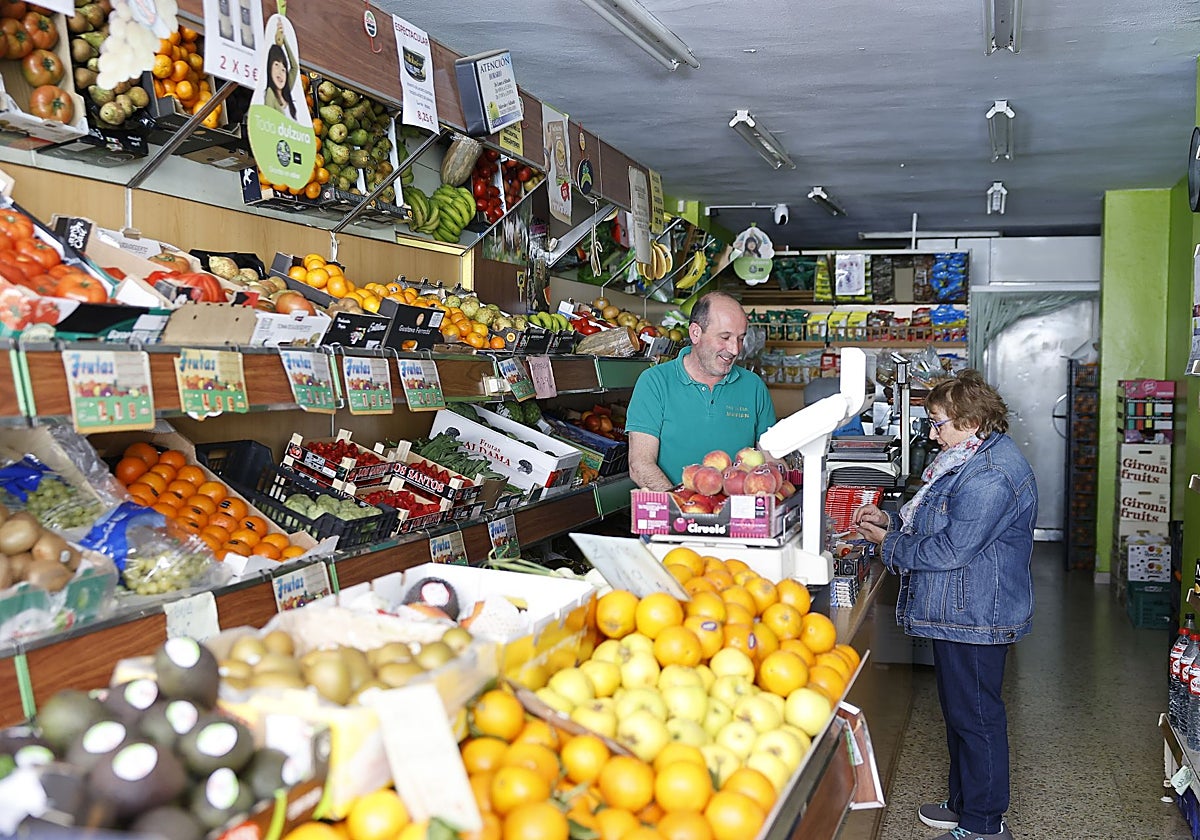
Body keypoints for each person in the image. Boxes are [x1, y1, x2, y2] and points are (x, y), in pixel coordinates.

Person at [852, 370, 1036, 840]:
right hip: (964, 608)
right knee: (961, 713)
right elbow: (940, 516)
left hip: (976, 612)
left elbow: (951, 549)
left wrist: (888, 544)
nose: (933, 435)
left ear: (970, 421)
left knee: (976, 717)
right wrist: (890, 518)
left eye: (939, 424)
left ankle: (984, 825)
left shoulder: (991, 474)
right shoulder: (969, 457)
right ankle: (963, 804)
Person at [626, 291, 776, 490]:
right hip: (674, 513)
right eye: (725, 337)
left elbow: (770, 459)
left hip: (739, 516)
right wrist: (681, 509)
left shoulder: (753, 386)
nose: (735, 349)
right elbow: (640, 464)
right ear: (695, 333)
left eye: (740, 338)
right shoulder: (655, 382)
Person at [263, 24, 299, 119]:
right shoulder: (270, 93)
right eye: (276, 65)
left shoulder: (286, 91)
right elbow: (268, 120)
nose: (280, 72)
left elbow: (295, 67)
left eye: (283, 69)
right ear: (269, 68)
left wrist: (284, 41)